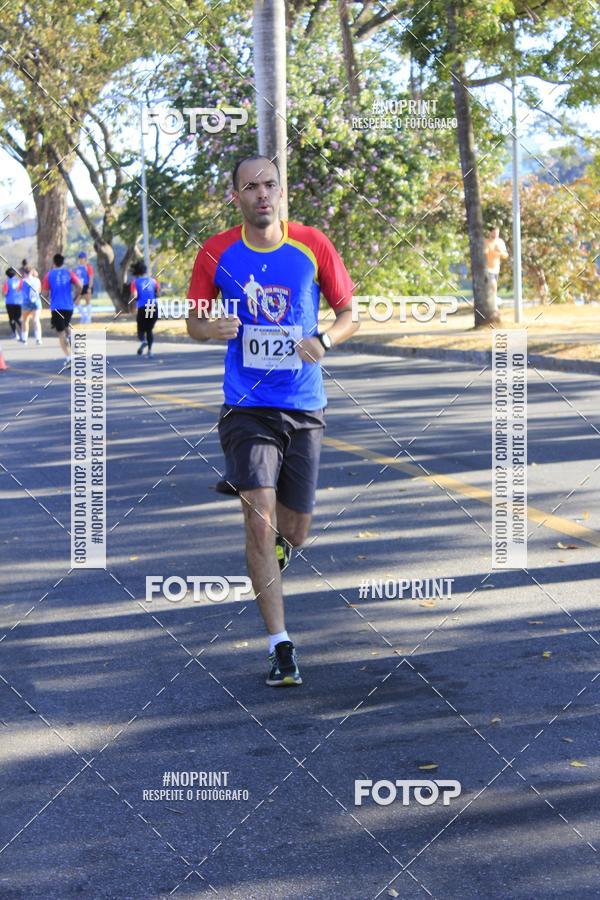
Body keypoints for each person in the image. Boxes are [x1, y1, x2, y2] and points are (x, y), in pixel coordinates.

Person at [186, 155, 359, 687]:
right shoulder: (216, 251)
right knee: (258, 519)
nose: (262, 194)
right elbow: (193, 320)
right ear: (236, 196)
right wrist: (209, 328)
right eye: (250, 187)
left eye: (270, 185)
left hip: (304, 405)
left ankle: (274, 551)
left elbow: (350, 313)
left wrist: (324, 340)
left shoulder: (312, 244)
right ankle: (280, 646)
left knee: (295, 532)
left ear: (281, 193)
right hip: (246, 407)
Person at [41, 254, 82, 365]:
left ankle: (69, 358)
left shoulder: (48, 275)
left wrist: (44, 298)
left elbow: (44, 293)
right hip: (69, 306)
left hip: (57, 307)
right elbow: (80, 285)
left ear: (54, 262)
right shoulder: (69, 273)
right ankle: (74, 345)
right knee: (66, 326)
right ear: (62, 262)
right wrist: (76, 297)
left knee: (60, 333)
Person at [129, 261, 160, 357]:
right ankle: (150, 351)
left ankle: (143, 341)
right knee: (149, 330)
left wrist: (133, 303)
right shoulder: (154, 281)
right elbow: (158, 293)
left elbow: (134, 295)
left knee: (140, 330)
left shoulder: (135, 282)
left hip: (143, 307)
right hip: (153, 307)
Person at [484, 226, 509, 311]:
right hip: (487, 268)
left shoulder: (500, 242)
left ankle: (491, 305)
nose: (496, 234)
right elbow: (483, 254)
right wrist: (486, 251)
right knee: (493, 285)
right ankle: (493, 306)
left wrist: (500, 251)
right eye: (494, 232)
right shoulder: (486, 242)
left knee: (493, 288)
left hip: (496, 268)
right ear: (490, 233)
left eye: (497, 233)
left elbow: (505, 256)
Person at [20, 267, 43, 345]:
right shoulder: (37, 280)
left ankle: (24, 339)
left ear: (24, 273)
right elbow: (39, 290)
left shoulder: (23, 281)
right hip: (36, 302)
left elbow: (18, 290)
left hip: (26, 303)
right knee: (36, 320)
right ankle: (38, 339)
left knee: (25, 320)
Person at [3, 267, 24, 340]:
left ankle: (15, 334)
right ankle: (23, 332)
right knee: (18, 318)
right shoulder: (20, 281)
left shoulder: (7, 282)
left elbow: (5, 293)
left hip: (10, 303)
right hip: (19, 302)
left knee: (11, 318)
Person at [74, 252, 95, 323]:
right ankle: (84, 316)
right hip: (79, 286)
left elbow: (91, 277)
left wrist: (89, 287)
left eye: (82, 258)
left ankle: (89, 318)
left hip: (86, 285)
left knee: (87, 301)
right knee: (76, 302)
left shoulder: (88, 266)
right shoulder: (78, 267)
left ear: (85, 258)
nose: (81, 259)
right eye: (80, 258)